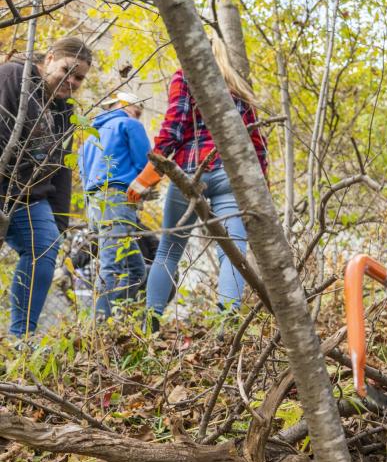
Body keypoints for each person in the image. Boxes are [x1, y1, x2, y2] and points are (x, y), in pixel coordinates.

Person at [127, 35, 267, 326]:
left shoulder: (185, 78)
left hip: (191, 173)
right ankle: (227, 324)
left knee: (169, 249)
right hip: (231, 176)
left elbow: (172, 131)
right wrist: (258, 188)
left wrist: (146, 179)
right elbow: (258, 145)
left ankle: (149, 322)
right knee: (233, 250)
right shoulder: (237, 90)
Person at [0, 36, 92, 340]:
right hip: (3, 183)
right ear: (50, 58)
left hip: (30, 196)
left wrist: (60, 219)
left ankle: (20, 339)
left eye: (79, 77)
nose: (73, 81)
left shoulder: (65, 112)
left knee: (46, 245)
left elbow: (63, 169)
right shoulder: (14, 76)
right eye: (68, 70)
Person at [79, 91, 151, 318]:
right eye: (135, 108)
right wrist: (144, 190)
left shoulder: (91, 136)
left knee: (137, 272)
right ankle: (98, 330)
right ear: (120, 105)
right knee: (111, 266)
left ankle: (116, 319)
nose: (137, 115)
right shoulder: (129, 124)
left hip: (95, 203)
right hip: (118, 198)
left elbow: (83, 175)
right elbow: (145, 163)